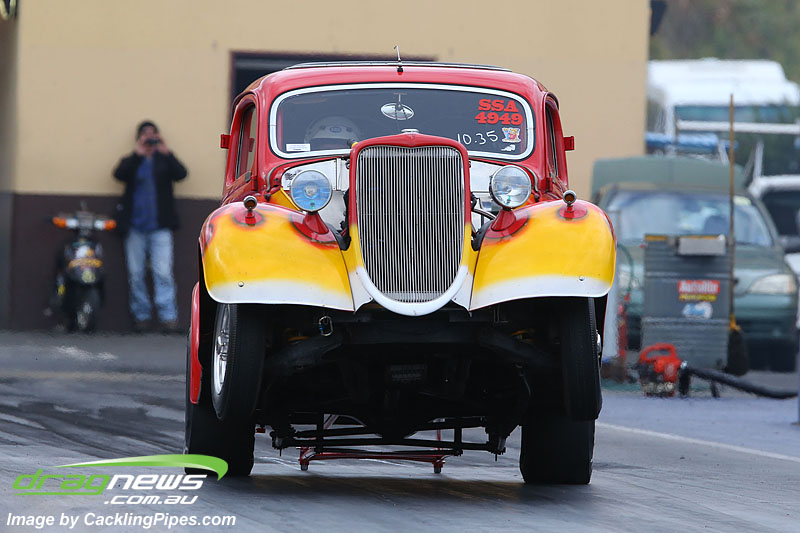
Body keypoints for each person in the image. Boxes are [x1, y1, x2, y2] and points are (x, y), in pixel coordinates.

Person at [113, 121, 187, 332]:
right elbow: (119, 174)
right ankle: (141, 317)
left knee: (163, 272)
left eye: (153, 135)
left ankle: (168, 318)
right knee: (135, 273)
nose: (149, 139)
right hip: (135, 227)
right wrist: (137, 154)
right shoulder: (132, 160)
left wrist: (166, 152)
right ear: (138, 138)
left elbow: (181, 174)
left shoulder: (164, 160)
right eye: (145, 136)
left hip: (160, 227)